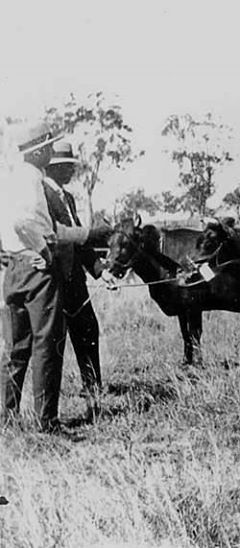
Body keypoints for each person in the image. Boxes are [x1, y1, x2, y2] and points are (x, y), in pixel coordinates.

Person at [0, 121, 111, 433]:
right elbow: (28, 224)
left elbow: (16, 225)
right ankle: (46, 423)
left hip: (16, 269)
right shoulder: (34, 181)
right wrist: (44, 251)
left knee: (16, 349)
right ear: (39, 150)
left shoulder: (10, 178)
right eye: (49, 147)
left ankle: (6, 420)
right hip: (38, 271)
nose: (50, 152)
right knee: (46, 346)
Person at [42, 141, 117, 421]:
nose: (71, 172)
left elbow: (81, 244)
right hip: (53, 284)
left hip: (77, 283)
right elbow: (63, 236)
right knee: (54, 345)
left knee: (88, 332)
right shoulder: (43, 196)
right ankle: (49, 412)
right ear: (54, 167)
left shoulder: (68, 198)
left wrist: (100, 270)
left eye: (72, 167)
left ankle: (93, 395)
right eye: (67, 167)